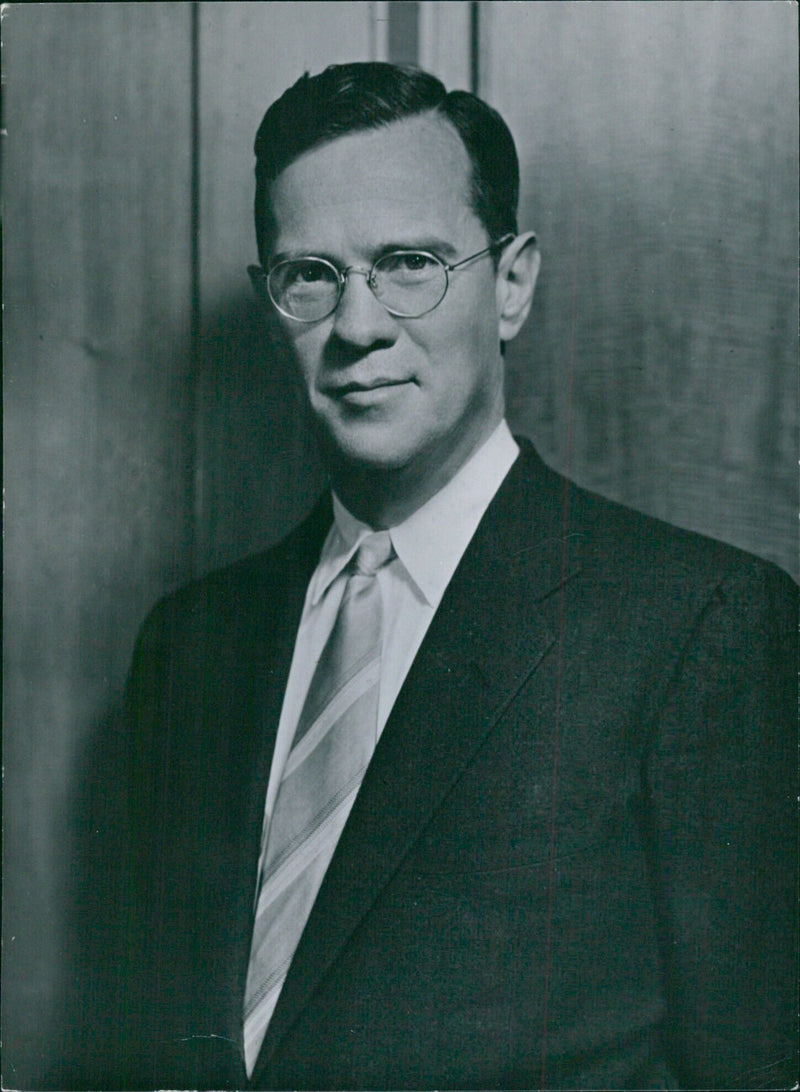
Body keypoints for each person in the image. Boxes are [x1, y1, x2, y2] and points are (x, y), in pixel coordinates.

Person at [64, 62, 796, 1091]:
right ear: (268, 300)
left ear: (510, 284)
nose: (356, 328)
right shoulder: (191, 643)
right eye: (310, 274)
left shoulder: (695, 625)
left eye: (408, 263)